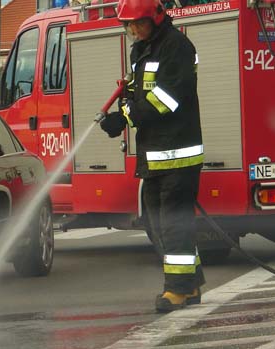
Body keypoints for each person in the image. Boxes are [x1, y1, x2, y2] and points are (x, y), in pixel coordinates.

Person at [99, 0, 205, 312]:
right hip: (154, 154)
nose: (132, 30)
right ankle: (192, 283)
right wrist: (120, 112)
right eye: (127, 25)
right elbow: (136, 93)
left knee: (173, 224)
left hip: (179, 155)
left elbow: (166, 100)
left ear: (156, 18)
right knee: (159, 224)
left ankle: (177, 291)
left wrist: (127, 118)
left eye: (137, 24)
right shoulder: (141, 50)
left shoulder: (177, 47)